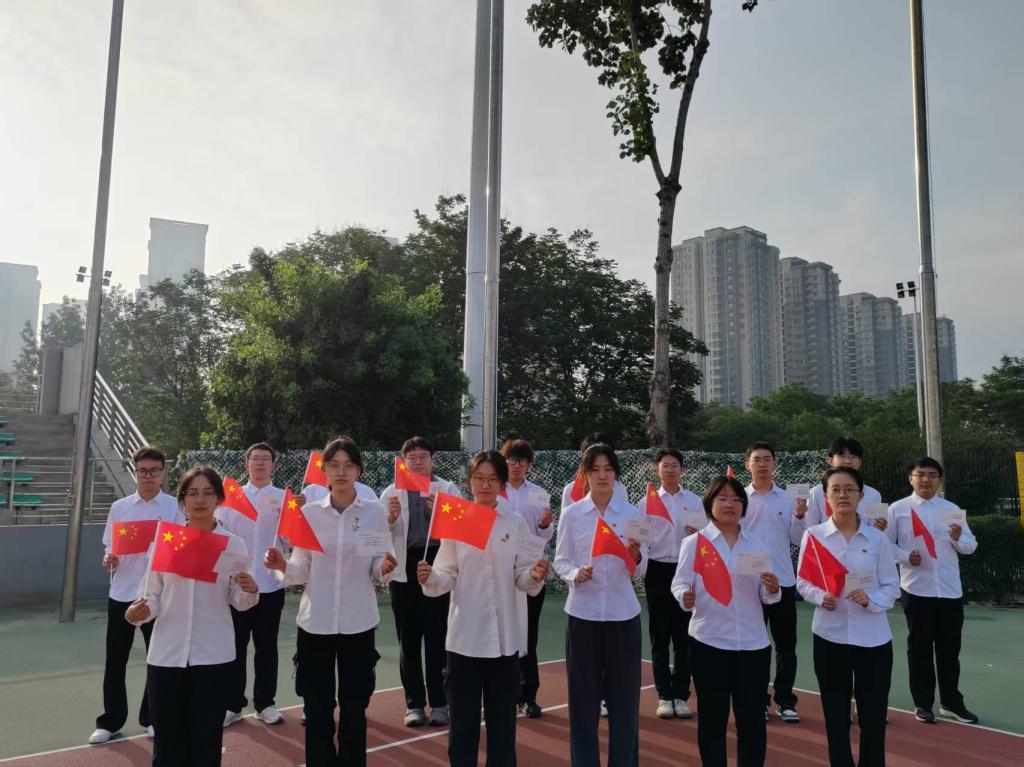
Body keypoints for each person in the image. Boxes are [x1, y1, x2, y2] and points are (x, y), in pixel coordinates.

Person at [264, 436, 398, 767]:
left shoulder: (374, 513)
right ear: (323, 471)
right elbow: (301, 568)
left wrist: (384, 568)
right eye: (334, 465)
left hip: (358, 622)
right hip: (316, 623)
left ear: (358, 471)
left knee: (354, 707)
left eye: (348, 465)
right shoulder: (309, 514)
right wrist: (283, 566)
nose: (341, 472)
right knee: (317, 708)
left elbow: (377, 564)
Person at [419, 450, 550, 767]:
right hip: (465, 640)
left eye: (492, 479)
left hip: (504, 642)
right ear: (470, 481)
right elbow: (447, 573)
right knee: (463, 729)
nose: (485, 485)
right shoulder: (458, 518)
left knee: (503, 729)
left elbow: (521, 575)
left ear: (503, 483)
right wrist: (430, 576)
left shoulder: (514, 522)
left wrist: (533, 575)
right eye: (479, 478)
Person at [125, 466, 259, 766]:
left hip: (213, 655)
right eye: (192, 493)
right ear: (182, 499)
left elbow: (239, 601)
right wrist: (138, 612)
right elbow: (152, 594)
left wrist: (250, 590)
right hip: (167, 654)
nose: (200, 500)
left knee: (206, 739)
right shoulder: (167, 539)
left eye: (208, 493)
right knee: (167, 742)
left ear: (219, 499)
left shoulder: (232, 544)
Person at [672, 475, 781, 767]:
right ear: (710, 503)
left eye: (735, 499)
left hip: (752, 644)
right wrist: (684, 596)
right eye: (722, 498)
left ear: (743, 505)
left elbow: (767, 595)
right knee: (712, 722)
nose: (730, 504)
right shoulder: (695, 543)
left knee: (752, 723)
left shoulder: (757, 544)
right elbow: (679, 582)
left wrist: (772, 588)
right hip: (709, 642)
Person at [796, 467, 900, 767]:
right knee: (835, 713)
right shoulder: (814, 536)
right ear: (825, 497)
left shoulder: (878, 539)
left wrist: (871, 600)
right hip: (830, 637)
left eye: (849, 489)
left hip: (873, 640)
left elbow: (892, 586)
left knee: (873, 715)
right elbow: (803, 581)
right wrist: (820, 597)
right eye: (836, 490)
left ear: (860, 496)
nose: (843, 495)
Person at [554, 443, 646, 766]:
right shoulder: (572, 514)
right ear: (585, 475)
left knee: (625, 702)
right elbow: (561, 560)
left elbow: (641, 569)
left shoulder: (632, 514)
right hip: (583, 615)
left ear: (616, 474)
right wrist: (575, 574)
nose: (602, 476)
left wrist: (636, 556)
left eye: (608, 470)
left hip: (623, 616)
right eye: (595, 470)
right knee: (583, 701)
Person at [89, 446, 181, 746]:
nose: (148, 476)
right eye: (143, 471)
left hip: (159, 595)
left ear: (163, 473)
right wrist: (109, 559)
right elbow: (109, 548)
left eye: (154, 471)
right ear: (135, 472)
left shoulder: (175, 507)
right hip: (123, 593)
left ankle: (152, 717)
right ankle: (111, 720)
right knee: (116, 659)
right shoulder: (120, 508)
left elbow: (182, 548)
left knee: (158, 659)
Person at [887, 457, 979, 725]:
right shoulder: (898, 509)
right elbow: (884, 544)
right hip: (917, 590)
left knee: (950, 651)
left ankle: (951, 703)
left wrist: (957, 537)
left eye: (932, 475)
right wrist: (905, 556)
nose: (926, 479)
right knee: (920, 649)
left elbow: (970, 546)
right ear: (910, 478)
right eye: (920, 474)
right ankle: (923, 704)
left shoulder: (951, 509)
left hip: (949, 591)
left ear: (939, 480)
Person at [379, 436, 461, 727]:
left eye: (423, 456)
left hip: (438, 563)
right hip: (404, 567)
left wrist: (440, 512)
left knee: (438, 636)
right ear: (403, 462)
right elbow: (377, 533)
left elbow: (460, 528)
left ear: (432, 460)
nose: (417, 462)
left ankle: (440, 702)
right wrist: (390, 518)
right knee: (409, 639)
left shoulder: (448, 490)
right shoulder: (392, 492)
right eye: (411, 457)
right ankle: (414, 704)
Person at [217, 443, 287, 727]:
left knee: (267, 647)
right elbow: (219, 535)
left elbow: (292, 538)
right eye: (255, 458)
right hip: (237, 584)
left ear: (273, 465)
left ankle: (265, 703)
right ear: (246, 463)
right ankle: (232, 704)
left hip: (271, 583)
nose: (260, 463)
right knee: (235, 646)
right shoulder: (230, 497)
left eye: (265, 459)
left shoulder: (283, 498)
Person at [638, 448, 703, 720]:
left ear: (682, 470)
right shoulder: (646, 502)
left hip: (685, 570)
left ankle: (681, 695)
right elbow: (639, 539)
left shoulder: (695, 501)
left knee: (684, 636)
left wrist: (697, 533)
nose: (670, 470)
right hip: (657, 570)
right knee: (660, 635)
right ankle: (664, 695)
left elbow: (706, 536)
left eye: (675, 465)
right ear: (658, 470)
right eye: (665, 465)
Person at [743, 441, 801, 723]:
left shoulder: (789, 499)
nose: (763, 464)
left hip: (783, 580)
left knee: (786, 645)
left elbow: (797, 539)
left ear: (775, 464)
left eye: (767, 459)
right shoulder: (739, 498)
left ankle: (786, 700)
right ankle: (758, 700)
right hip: (749, 582)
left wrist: (800, 516)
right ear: (747, 465)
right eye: (757, 459)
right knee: (754, 645)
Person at [499, 438, 554, 718]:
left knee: (527, 636)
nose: (516, 465)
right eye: (511, 459)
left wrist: (545, 525)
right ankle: (502, 694)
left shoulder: (539, 495)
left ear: (529, 465)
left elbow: (546, 535)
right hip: (500, 571)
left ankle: (528, 695)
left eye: (521, 460)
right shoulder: (494, 492)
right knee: (501, 633)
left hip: (530, 571)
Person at [791, 438, 886, 541]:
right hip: (825, 548)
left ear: (860, 462)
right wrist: (799, 517)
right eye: (842, 456)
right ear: (830, 460)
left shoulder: (873, 494)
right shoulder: (815, 493)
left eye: (853, 457)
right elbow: (806, 534)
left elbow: (877, 530)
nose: (847, 461)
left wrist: (881, 528)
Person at [559, 433, 628, 510]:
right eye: (595, 469)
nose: (602, 476)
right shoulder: (570, 490)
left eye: (607, 468)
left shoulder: (619, 489)